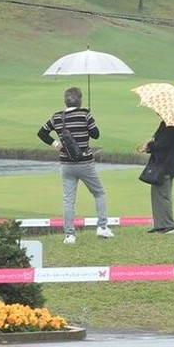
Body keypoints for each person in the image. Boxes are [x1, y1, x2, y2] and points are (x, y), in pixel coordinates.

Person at [37, 86, 113, 244]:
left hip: (66, 164)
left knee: (68, 200)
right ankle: (102, 227)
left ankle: (70, 235)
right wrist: (90, 117)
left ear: (65, 101)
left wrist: (55, 143)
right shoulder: (85, 114)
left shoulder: (57, 117)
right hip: (85, 163)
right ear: (80, 100)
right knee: (99, 193)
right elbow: (96, 135)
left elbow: (42, 133)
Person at [139, 120, 174, 234]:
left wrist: (150, 145)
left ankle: (169, 225)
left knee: (163, 195)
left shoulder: (170, 126)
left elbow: (163, 145)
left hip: (165, 166)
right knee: (157, 195)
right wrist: (150, 147)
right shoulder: (164, 124)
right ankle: (160, 225)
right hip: (162, 164)